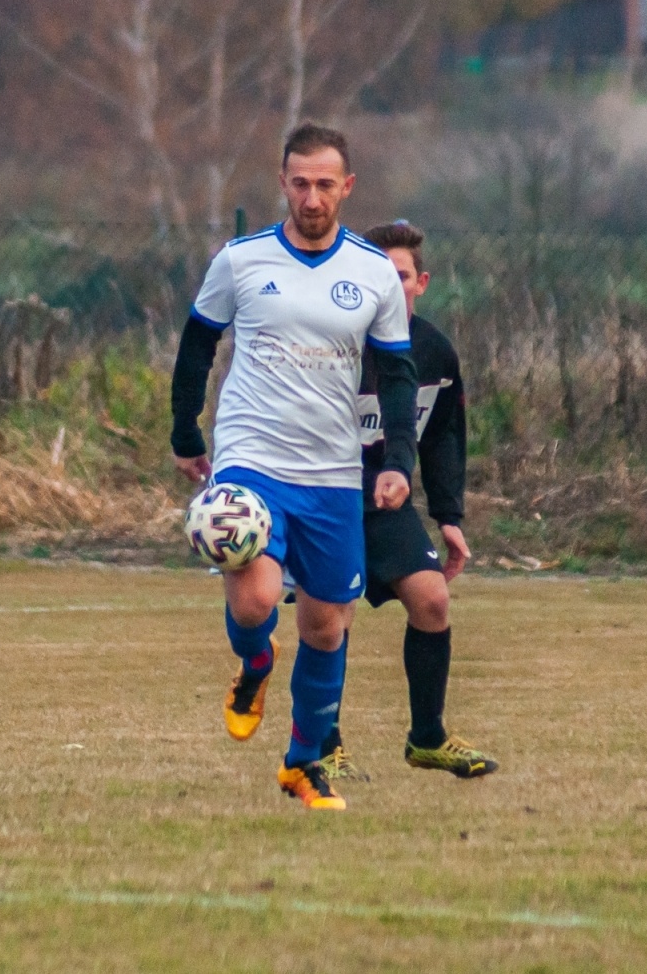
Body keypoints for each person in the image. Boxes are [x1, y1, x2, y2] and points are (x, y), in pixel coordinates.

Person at [170, 124, 419, 811]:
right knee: (254, 599)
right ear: (283, 183)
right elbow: (198, 343)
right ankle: (253, 662)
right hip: (252, 458)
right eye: (300, 182)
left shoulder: (373, 272)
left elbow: (397, 375)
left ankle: (303, 764)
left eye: (325, 184)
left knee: (326, 626)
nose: (312, 197)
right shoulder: (242, 261)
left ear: (347, 188)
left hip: (334, 472)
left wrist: (398, 461)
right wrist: (185, 429)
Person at [319, 220, 497, 781]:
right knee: (333, 618)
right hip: (329, 496)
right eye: (379, 276)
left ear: (421, 282)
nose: (390, 287)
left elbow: (443, 435)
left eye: (400, 277)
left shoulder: (435, 352)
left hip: (387, 504)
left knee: (433, 601)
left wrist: (449, 518)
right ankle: (323, 745)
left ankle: (427, 739)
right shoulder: (334, 345)